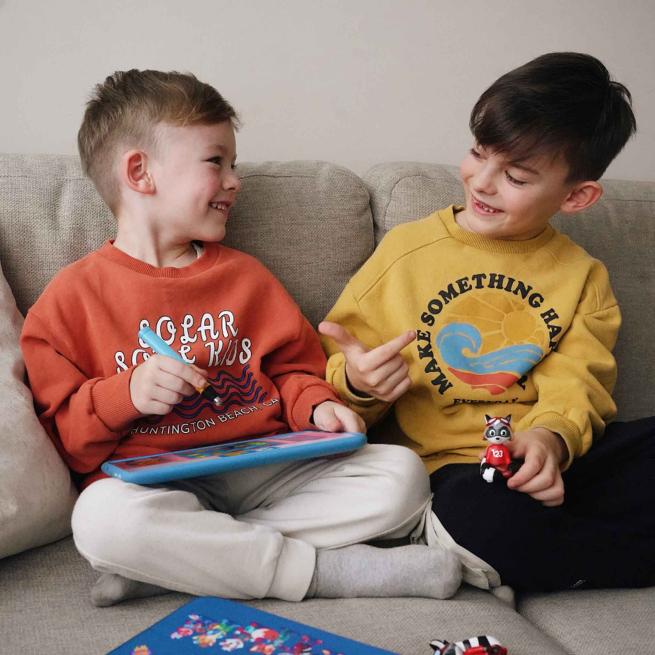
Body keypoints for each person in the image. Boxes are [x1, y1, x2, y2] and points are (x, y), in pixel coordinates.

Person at [20, 69, 461, 607]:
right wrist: (126, 394)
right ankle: (320, 572)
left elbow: (293, 371)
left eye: (234, 163)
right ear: (140, 172)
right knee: (100, 521)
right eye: (216, 161)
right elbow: (66, 439)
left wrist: (318, 406)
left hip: (266, 469)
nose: (234, 180)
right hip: (157, 487)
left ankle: (186, 562)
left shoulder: (246, 278)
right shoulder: (68, 301)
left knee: (401, 476)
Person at [320, 52, 655, 593]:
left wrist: (550, 438)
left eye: (516, 176)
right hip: (455, 473)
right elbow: (336, 368)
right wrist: (359, 384)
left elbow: (580, 384)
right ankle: (553, 550)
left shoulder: (582, 277)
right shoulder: (407, 252)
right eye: (478, 152)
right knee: (484, 517)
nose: (482, 181)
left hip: (558, 461)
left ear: (576, 196)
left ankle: (557, 551)